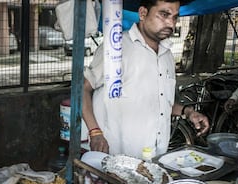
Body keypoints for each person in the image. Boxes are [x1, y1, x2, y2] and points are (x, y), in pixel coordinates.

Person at [82, 0, 209, 158]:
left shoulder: (167, 55)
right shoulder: (116, 48)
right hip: (115, 159)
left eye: (175, 17)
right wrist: (95, 132)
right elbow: (83, 89)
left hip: (154, 158)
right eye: (164, 14)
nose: (171, 23)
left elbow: (161, 104)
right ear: (143, 13)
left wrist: (188, 112)